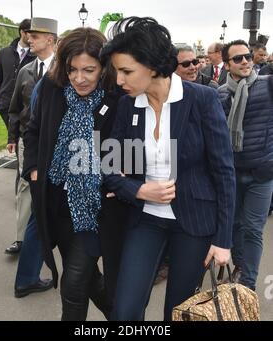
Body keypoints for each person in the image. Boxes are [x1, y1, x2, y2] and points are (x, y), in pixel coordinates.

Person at [100, 16, 236, 321]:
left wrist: (223, 240)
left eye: (126, 71)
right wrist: (138, 189)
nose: (119, 80)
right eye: (116, 72)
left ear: (151, 66)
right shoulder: (127, 106)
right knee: (125, 310)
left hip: (195, 222)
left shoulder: (202, 99)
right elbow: (109, 168)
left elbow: (224, 172)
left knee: (179, 312)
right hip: (146, 220)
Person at [22, 27, 127, 320]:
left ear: (104, 67)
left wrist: (121, 173)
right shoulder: (51, 90)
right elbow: (32, 131)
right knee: (88, 279)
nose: (80, 78)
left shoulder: (118, 98)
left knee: (73, 284)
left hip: (96, 209)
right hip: (58, 204)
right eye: (73, 69)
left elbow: (130, 148)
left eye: (89, 70)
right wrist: (32, 170)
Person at [8, 17, 58, 298]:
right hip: (34, 145)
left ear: (50, 38)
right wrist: (12, 137)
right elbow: (15, 108)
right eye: (29, 35)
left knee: (42, 214)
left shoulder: (65, 70)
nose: (29, 39)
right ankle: (26, 272)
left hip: (57, 150)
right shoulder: (26, 70)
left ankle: (28, 275)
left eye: (35, 35)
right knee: (34, 204)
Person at [218, 40, 273, 291]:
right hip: (232, 173)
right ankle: (239, 267)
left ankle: (247, 284)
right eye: (238, 58)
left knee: (252, 229)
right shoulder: (220, 94)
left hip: (262, 173)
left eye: (248, 57)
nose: (245, 62)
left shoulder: (268, 84)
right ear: (227, 64)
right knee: (235, 225)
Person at [0, 18, 35, 254]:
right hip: (8, 109)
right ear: (21, 32)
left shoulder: (36, 58)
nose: (31, 37)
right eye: (29, 32)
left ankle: (25, 197)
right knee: (21, 162)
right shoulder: (5, 52)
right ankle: (23, 199)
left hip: (26, 119)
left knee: (24, 164)